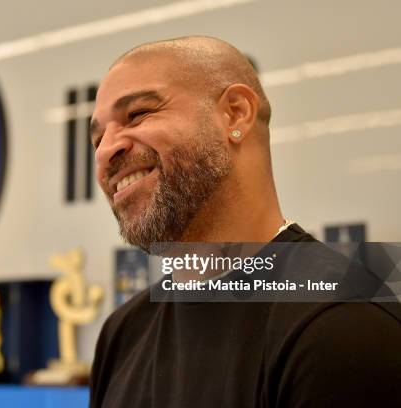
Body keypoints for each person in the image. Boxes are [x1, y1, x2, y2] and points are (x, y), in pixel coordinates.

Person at [88, 36, 401, 407]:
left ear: (235, 113)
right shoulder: (123, 332)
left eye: (138, 114)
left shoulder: (347, 325)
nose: (107, 150)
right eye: (97, 140)